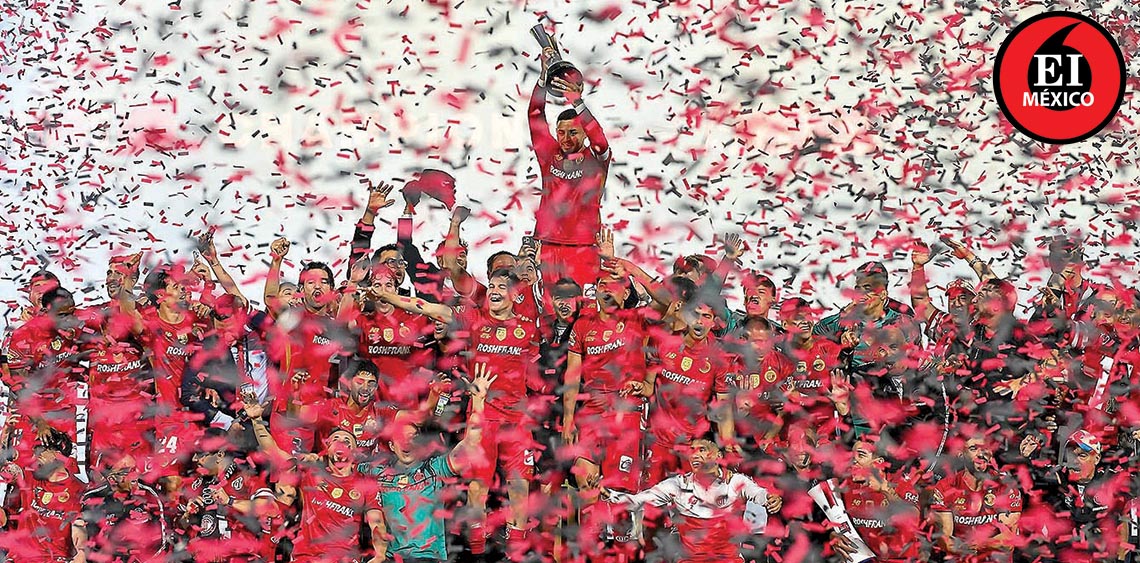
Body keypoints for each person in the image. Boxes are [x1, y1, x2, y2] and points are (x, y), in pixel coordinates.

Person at [374, 268, 541, 560]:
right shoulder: (474, 318)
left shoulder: (528, 327)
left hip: (516, 420)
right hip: (483, 416)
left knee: (519, 490)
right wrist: (389, 296)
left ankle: (516, 554)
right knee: (477, 489)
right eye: (492, 286)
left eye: (502, 287)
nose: (495, 291)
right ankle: (477, 555)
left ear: (515, 295)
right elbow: (427, 307)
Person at [359, 363, 495, 563]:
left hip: (427, 558)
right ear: (392, 445)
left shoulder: (435, 469)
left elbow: (470, 445)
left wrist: (478, 401)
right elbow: (340, 465)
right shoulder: (376, 471)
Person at [243, 398, 387, 562]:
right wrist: (256, 420)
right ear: (327, 448)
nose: (341, 443)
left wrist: (380, 554)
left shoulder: (365, 484)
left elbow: (377, 523)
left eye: (347, 441)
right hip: (306, 557)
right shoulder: (311, 474)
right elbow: (273, 452)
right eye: (335, 439)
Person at [604, 438, 783, 563]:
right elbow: (637, 501)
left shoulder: (735, 482)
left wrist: (770, 499)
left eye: (702, 450)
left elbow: (759, 494)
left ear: (718, 457)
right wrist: (607, 494)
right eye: (691, 451)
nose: (695, 455)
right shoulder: (678, 485)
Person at [529, 36, 610, 289]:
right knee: (549, 308)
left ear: (584, 133)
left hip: (583, 248)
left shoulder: (597, 159)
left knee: (582, 305)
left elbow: (599, 137)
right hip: (547, 244)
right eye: (561, 132)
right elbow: (535, 116)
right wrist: (543, 78)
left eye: (573, 132)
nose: (565, 138)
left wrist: (576, 100)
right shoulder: (549, 154)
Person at [1021, 430, 1130, 563]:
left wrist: (1120, 559)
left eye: (1082, 455)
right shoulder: (1059, 476)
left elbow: (1122, 523)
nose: (1075, 461)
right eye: (1071, 455)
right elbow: (1031, 473)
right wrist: (1028, 456)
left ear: (1096, 459)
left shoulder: (1111, 481)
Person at [177, 429, 276, 562]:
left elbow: (271, 508)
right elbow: (179, 527)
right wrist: (188, 516)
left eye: (200, 454)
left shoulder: (244, 478)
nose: (195, 459)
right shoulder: (194, 486)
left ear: (220, 455)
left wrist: (230, 501)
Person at [930, 432, 1022, 562]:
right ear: (961, 454)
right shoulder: (945, 487)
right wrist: (973, 547)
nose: (981, 454)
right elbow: (945, 540)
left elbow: (1008, 542)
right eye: (974, 448)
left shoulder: (1006, 486)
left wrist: (979, 544)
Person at [814, 261, 914, 377]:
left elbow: (916, 360)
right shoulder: (843, 323)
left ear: (883, 294)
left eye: (867, 289)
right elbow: (813, 335)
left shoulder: (903, 322)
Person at [0, 428, 84, 563]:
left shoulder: (78, 491)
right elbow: (4, 466)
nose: (34, 459)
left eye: (39, 453)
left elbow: (80, 527)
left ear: (57, 455)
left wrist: (81, 552)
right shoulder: (28, 477)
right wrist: (5, 434)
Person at [835, 434, 923, 562]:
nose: (854, 461)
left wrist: (885, 490)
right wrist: (835, 535)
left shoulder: (901, 484)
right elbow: (838, 523)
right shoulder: (845, 487)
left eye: (861, 455)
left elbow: (913, 520)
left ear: (878, 462)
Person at [74, 450, 169, 562]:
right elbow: (83, 541)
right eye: (127, 472)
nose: (135, 475)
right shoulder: (92, 498)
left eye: (135, 469)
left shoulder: (150, 495)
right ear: (111, 478)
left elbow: (163, 541)